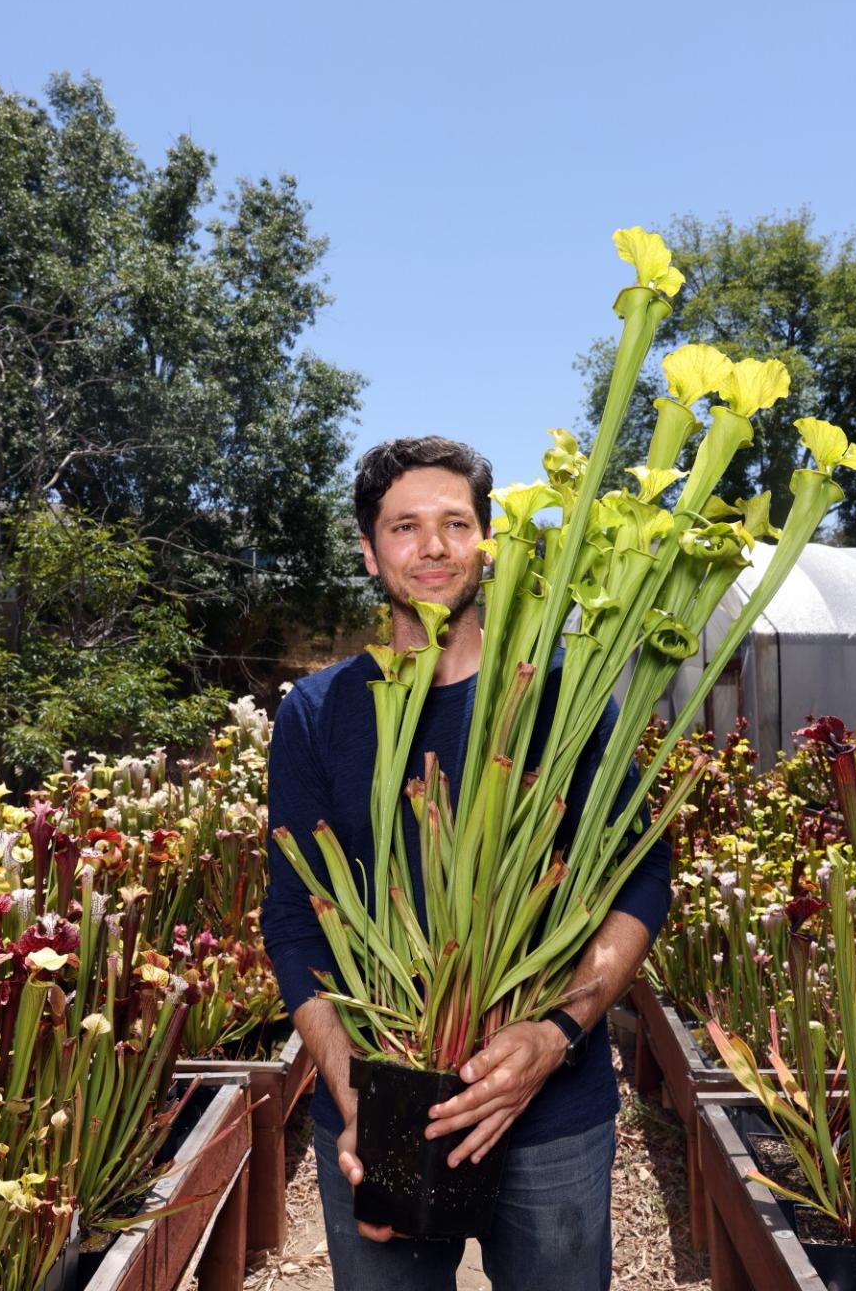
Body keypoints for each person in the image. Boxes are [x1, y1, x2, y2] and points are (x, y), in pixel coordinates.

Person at [261, 435, 672, 1291]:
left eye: (456, 522)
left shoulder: (567, 694)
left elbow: (640, 877)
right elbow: (295, 917)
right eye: (404, 526)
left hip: (550, 1108)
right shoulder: (318, 710)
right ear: (370, 553)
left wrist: (552, 1034)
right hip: (381, 1100)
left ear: (488, 541)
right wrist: (353, 1094)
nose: (435, 546)